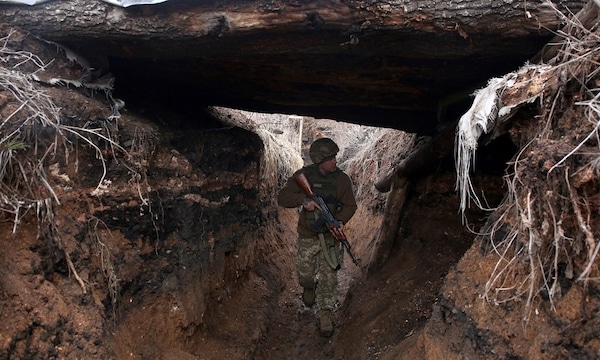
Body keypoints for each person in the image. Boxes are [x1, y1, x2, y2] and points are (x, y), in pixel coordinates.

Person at [277, 137, 357, 338]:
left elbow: (350, 206)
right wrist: (303, 200)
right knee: (305, 275)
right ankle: (309, 287)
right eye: (331, 158)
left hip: (330, 238)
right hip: (308, 235)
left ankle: (326, 314)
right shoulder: (303, 176)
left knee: (329, 275)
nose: (335, 161)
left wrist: (339, 221)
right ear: (320, 160)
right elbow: (282, 197)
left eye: (335, 157)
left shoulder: (342, 180)